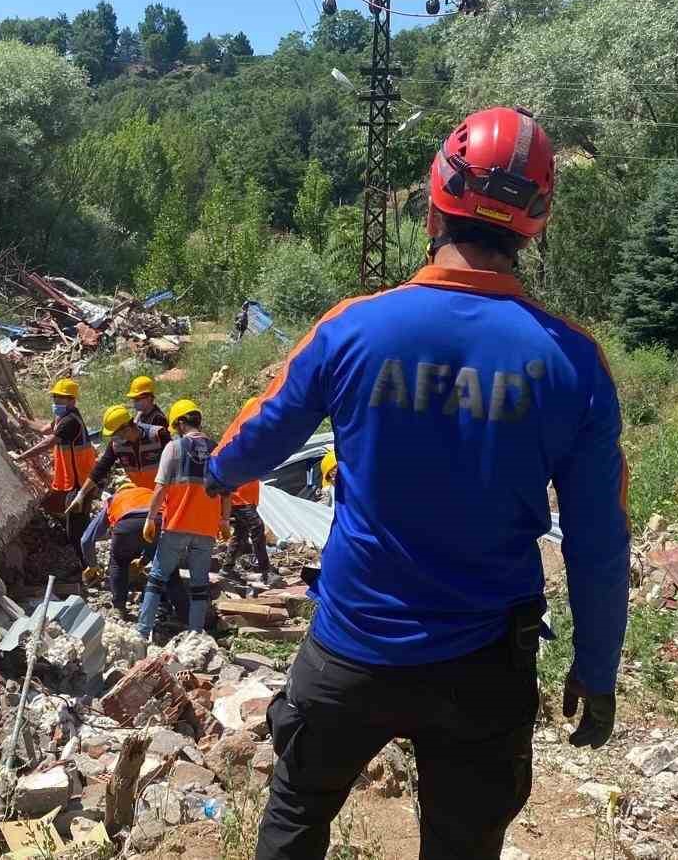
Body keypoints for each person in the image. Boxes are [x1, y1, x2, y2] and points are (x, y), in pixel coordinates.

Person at [207, 107, 631, 860]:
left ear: (436, 197)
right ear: (535, 221)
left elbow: (253, 443)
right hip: (484, 665)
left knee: (298, 813)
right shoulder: (573, 362)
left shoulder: (353, 328)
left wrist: (212, 472)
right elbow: (599, 541)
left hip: (353, 645)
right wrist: (596, 671)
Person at [135, 399, 232, 640]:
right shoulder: (217, 449)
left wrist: (150, 518)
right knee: (200, 584)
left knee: (157, 578)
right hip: (206, 527)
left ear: (179, 423)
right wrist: (224, 521)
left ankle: (142, 631)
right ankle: (196, 635)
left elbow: (160, 488)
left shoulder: (174, 447)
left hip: (177, 523)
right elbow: (226, 491)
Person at [12, 378, 97, 567]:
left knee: (76, 530)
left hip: (81, 484)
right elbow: (44, 429)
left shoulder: (70, 421)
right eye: (55, 398)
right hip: (75, 482)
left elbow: (48, 442)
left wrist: (22, 457)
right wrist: (26, 422)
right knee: (76, 523)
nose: (57, 402)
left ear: (72, 400)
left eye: (61, 399)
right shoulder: (64, 417)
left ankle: (88, 567)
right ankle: (85, 561)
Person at [79, 484, 187, 620]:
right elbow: (153, 538)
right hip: (158, 522)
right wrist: (143, 561)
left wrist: (93, 565)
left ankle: (119, 608)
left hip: (126, 526)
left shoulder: (114, 499)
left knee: (118, 562)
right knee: (168, 570)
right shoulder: (150, 492)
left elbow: (86, 540)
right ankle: (185, 614)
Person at [67, 406, 170, 514]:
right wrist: (81, 494)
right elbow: (101, 469)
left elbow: (177, 464)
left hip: (164, 493)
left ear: (126, 429)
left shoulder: (158, 435)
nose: (114, 437)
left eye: (115, 433)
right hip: (141, 493)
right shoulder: (116, 444)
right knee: (107, 513)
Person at [229, 398, 273, 578]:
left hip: (247, 496)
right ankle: (265, 570)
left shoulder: (252, 437)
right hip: (240, 497)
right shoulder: (240, 437)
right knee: (257, 527)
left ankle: (227, 567)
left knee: (240, 534)